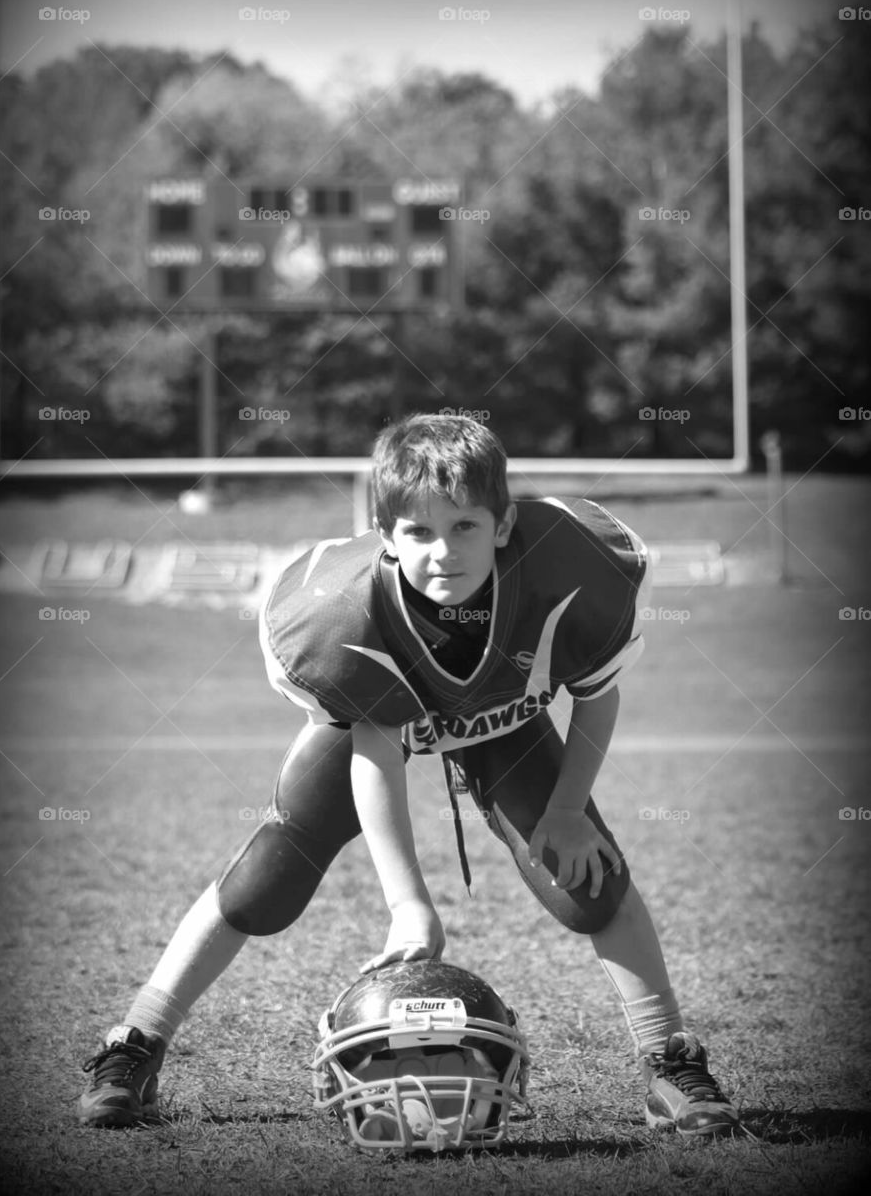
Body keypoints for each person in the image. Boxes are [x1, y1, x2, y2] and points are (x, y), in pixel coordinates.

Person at [79, 413, 738, 1139]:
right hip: (379, 730)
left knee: (592, 881)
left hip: (505, 719)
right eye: (419, 532)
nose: (443, 551)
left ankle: (669, 1062)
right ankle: (134, 1042)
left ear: (504, 524)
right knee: (264, 884)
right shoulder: (345, 614)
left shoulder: (565, 572)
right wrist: (408, 905)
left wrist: (569, 809)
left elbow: (596, 692)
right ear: (384, 534)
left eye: (464, 527)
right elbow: (377, 753)